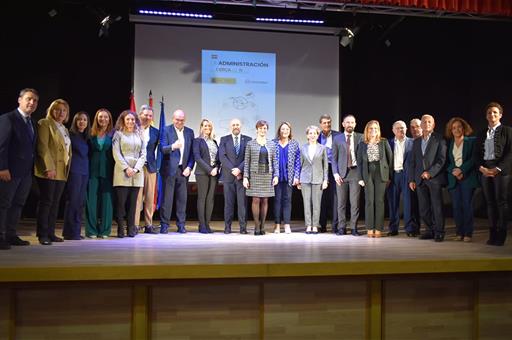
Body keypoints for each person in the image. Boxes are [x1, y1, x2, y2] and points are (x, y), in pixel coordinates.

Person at [0, 88, 39, 250]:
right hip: (9, 171)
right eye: (29, 99)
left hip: (25, 173)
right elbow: (1, 145)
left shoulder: (31, 122)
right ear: (19, 100)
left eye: (35, 101)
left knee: (18, 204)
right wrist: (2, 167)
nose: (32, 103)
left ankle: (11, 234)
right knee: (3, 204)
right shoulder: (8, 118)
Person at [34, 99, 72, 245]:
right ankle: (42, 234)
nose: (61, 113)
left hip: (62, 171)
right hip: (49, 170)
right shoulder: (45, 123)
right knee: (46, 202)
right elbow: (42, 147)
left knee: (55, 203)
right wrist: (49, 167)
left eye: (64, 110)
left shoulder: (64, 128)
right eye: (57, 109)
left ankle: (50, 232)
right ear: (51, 110)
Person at [474, 102, 512, 246]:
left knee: (501, 202)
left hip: (501, 171)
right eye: (489, 113)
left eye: (495, 112)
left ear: (500, 115)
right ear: (486, 116)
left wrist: (498, 169)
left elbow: (510, 153)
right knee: (489, 203)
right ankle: (492, 234)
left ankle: (501, 235)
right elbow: (476, 154)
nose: (492, 115)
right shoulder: (481, 133)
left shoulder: (508, 131)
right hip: (485, 170)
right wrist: (481, 168)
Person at [408, 114, 447, 242]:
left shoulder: (440, 139)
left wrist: (430, 172)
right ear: (421, 125)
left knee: (437, 206)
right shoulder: (417, 141)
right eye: (424, 122)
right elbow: (412, 162)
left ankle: (439, 232)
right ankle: (429, 230)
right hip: (419, 179)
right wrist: (412, 179)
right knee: (423, 208)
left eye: (429, 122)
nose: (426, 124)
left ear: (434, 124)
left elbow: (442, 160)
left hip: (434, 178)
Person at [159, 109, 194, 234]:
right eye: (177, 119)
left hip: (183, 171)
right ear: (173, 119)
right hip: (169, 170)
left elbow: (192, 154)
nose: (179, 122)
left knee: (182, 200)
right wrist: (173, 146)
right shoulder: (166, 130)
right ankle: (164, 225)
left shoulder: (190, 132)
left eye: (182, 120)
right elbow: (162, 148)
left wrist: (189, 167)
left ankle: (181, 225)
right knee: (167, 200)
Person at [112, 110, 146, 238]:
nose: (130, 121)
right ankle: (120, 229)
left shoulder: (139, 134)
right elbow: (116, 153)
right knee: (121, 204)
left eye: (132, 119)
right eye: (128, 119)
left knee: (133, 204)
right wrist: (126, 168)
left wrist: (136, 169)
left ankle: (131, 229)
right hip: (122, 172)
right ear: (123, 121)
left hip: (137, 173)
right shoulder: (118, 134)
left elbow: (143, 154)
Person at [445, 117, 478, 242]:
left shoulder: (471, 141)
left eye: (459, 126)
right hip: (454, 178)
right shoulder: (450, 143)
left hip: (467, 178)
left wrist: (462, 170)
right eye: (454, 128)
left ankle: (468, 233)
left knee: (466, 205)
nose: (456, 129)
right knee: (456, 207)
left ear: (463, 128)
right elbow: (448, 162)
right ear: (451, 130)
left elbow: (474, 159)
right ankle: (459, 232)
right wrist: (454, 171)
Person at [357, 120, 392, 237]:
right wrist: (360, 178)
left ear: (378, 130)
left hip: (381, 172)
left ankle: (378, 228)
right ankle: (370, 228)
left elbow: (390, 159)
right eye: (371, 128)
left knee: (379, 201)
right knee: (369, 201)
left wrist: (389, 176)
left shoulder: (383, 142)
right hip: (368, 172)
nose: (373, 130)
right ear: (367, 130)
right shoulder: (362, 144)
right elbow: (360, 163)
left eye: (375, 128)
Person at [243, 120, 279, 235]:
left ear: (267, 130)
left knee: (265, 200)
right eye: (260, 128)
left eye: (264, 128)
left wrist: (276, 175)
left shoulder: (271, 144)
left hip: (267, 174)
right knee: (256, 199)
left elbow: (275, 161)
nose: (262, 130)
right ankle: (257, 226)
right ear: (257, 129)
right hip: (255, 174)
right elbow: (246, 162)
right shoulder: (250, 144)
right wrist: (245, 177)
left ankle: (263, 226)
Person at [218, 118, 251, 234]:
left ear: (240, 126)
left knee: (242, 204)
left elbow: (248, 157)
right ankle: (227, 227)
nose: (235, 126)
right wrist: (233, 169)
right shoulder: (224, 139)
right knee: (228, 203)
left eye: (237, 124)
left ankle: (243, 228)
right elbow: (222, 157)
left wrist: (239, 169)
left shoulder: (248, 140)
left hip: (242, 177)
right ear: (230, 126)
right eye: (233, 125)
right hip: (228, 176)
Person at [85, 108, 114, 239]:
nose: (103, 119)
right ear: (97, 118)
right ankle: (91, 230)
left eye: (106, 117)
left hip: (108, 170)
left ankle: (105, 230)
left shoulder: (114, 134)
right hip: (92, 171)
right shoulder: (90, 134)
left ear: (109, 119)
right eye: (100, 117)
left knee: (107, 201)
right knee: (91, 201)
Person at [332, 114, 363, 236]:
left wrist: (362, 176)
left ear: (355, 124)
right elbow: (334, 159)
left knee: (355, 203)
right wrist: (335, 173)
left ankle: (354, 228)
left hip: (355, 173)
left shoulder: (360, 137)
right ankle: (341, 227)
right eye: (347, 122)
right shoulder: (337, 139)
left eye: (352, 122)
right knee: (341, 203)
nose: (350, 124)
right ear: (343, 124)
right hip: (341, 174)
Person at [62, 111, 90, 240]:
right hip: (74, 171)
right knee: (72, 201)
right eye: (79, 119)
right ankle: (69, 232)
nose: (82, 122)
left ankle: (76, 231)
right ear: (75, 121)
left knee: (80, 202)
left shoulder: (86, 137)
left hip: (84, 171)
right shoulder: (70, 135)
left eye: (84, 120)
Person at [387, 120, 416, 237]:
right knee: (393, 203)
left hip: (406, 175)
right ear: (393, 130)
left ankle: (410, 229)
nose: (401, 130)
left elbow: (415, 163)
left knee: (408, 203)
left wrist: (412, 178)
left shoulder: (413, 143)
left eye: (403, 128)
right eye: (398, 128)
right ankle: (393, 228)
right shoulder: (388, 143)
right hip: (393, 175)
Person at [134, 105, 160, 234]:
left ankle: (149, 225)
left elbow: (159, 149)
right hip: (136, 167)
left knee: (150, 197)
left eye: (150, 116)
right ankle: (134, 225)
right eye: (145, 115)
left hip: (150, 167)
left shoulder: (156, 132)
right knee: (137, 197)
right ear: (140, 115)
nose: (148, 117)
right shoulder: (133, 128)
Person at [298, 125, 328, 234]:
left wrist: (325, 180)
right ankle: (308, 225)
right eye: (310, 133)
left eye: (314, 133)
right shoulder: (302, 148)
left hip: (318, 178)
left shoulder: (322, 148)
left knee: (316, 203)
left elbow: (325, 166)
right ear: (307, 135)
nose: (312, 135)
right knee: (306, 203)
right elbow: (299, 164)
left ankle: (315, 225)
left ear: (317, 135)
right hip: (305, 178)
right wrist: (298, 179)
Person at [272, 122, 300, 234]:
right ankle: (277, 225)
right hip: (277, 177)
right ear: (279, 130)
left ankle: (287, 224)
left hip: (289, 177)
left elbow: (298, 162)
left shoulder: (294, 143)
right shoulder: (273, 143)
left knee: (287, 201)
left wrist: (296, 176)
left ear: (290, 131)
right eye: (283, 129)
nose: (285, 131)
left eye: (287, 129)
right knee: (277, 201)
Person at [193, 118, 220, 234]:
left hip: (214, 173)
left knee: (210, 199)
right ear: (201, 127)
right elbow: (197, 158)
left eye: (209, 126)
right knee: (202, 198)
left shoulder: (214, 142)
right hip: (202, 173)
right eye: (205, 126)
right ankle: (202, 224)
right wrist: (210, 170)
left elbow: (218, 158)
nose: (207, 128)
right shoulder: (197, 141)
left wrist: (217, 168)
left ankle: (207, 224)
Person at [318, 114, 340, 233]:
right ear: (320, 124)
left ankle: (335, 226)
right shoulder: (316, 136)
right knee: (322, 198)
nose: (327, 124)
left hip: (335, 169)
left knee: (335, 198)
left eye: (329, 122)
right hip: (321, 170)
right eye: (324, 123)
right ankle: (322, 225)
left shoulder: (338, 135)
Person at [408, 118, 422, 233]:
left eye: (417, 126)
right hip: (413, 178)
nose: (414, 129)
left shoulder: (429, 140)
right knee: (414, 204)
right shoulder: (410, 142)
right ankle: (415, 228)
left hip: (427, 177)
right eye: (412, 127)